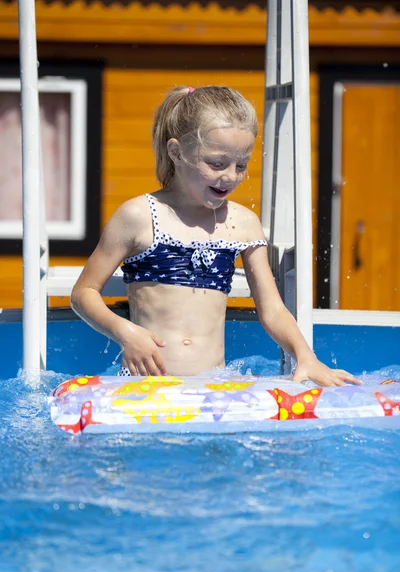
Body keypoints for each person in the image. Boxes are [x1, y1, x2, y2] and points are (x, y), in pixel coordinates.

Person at [71, 85, 362, 386]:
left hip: (214, 386)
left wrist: (305, 356)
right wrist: (126, 333)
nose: (230, 176)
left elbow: (273, 308)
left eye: (241, 165)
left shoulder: (243, 223)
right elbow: (83, 294)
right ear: (176, 152)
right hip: (145, 385)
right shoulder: (139, 216)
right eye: (216, 163)